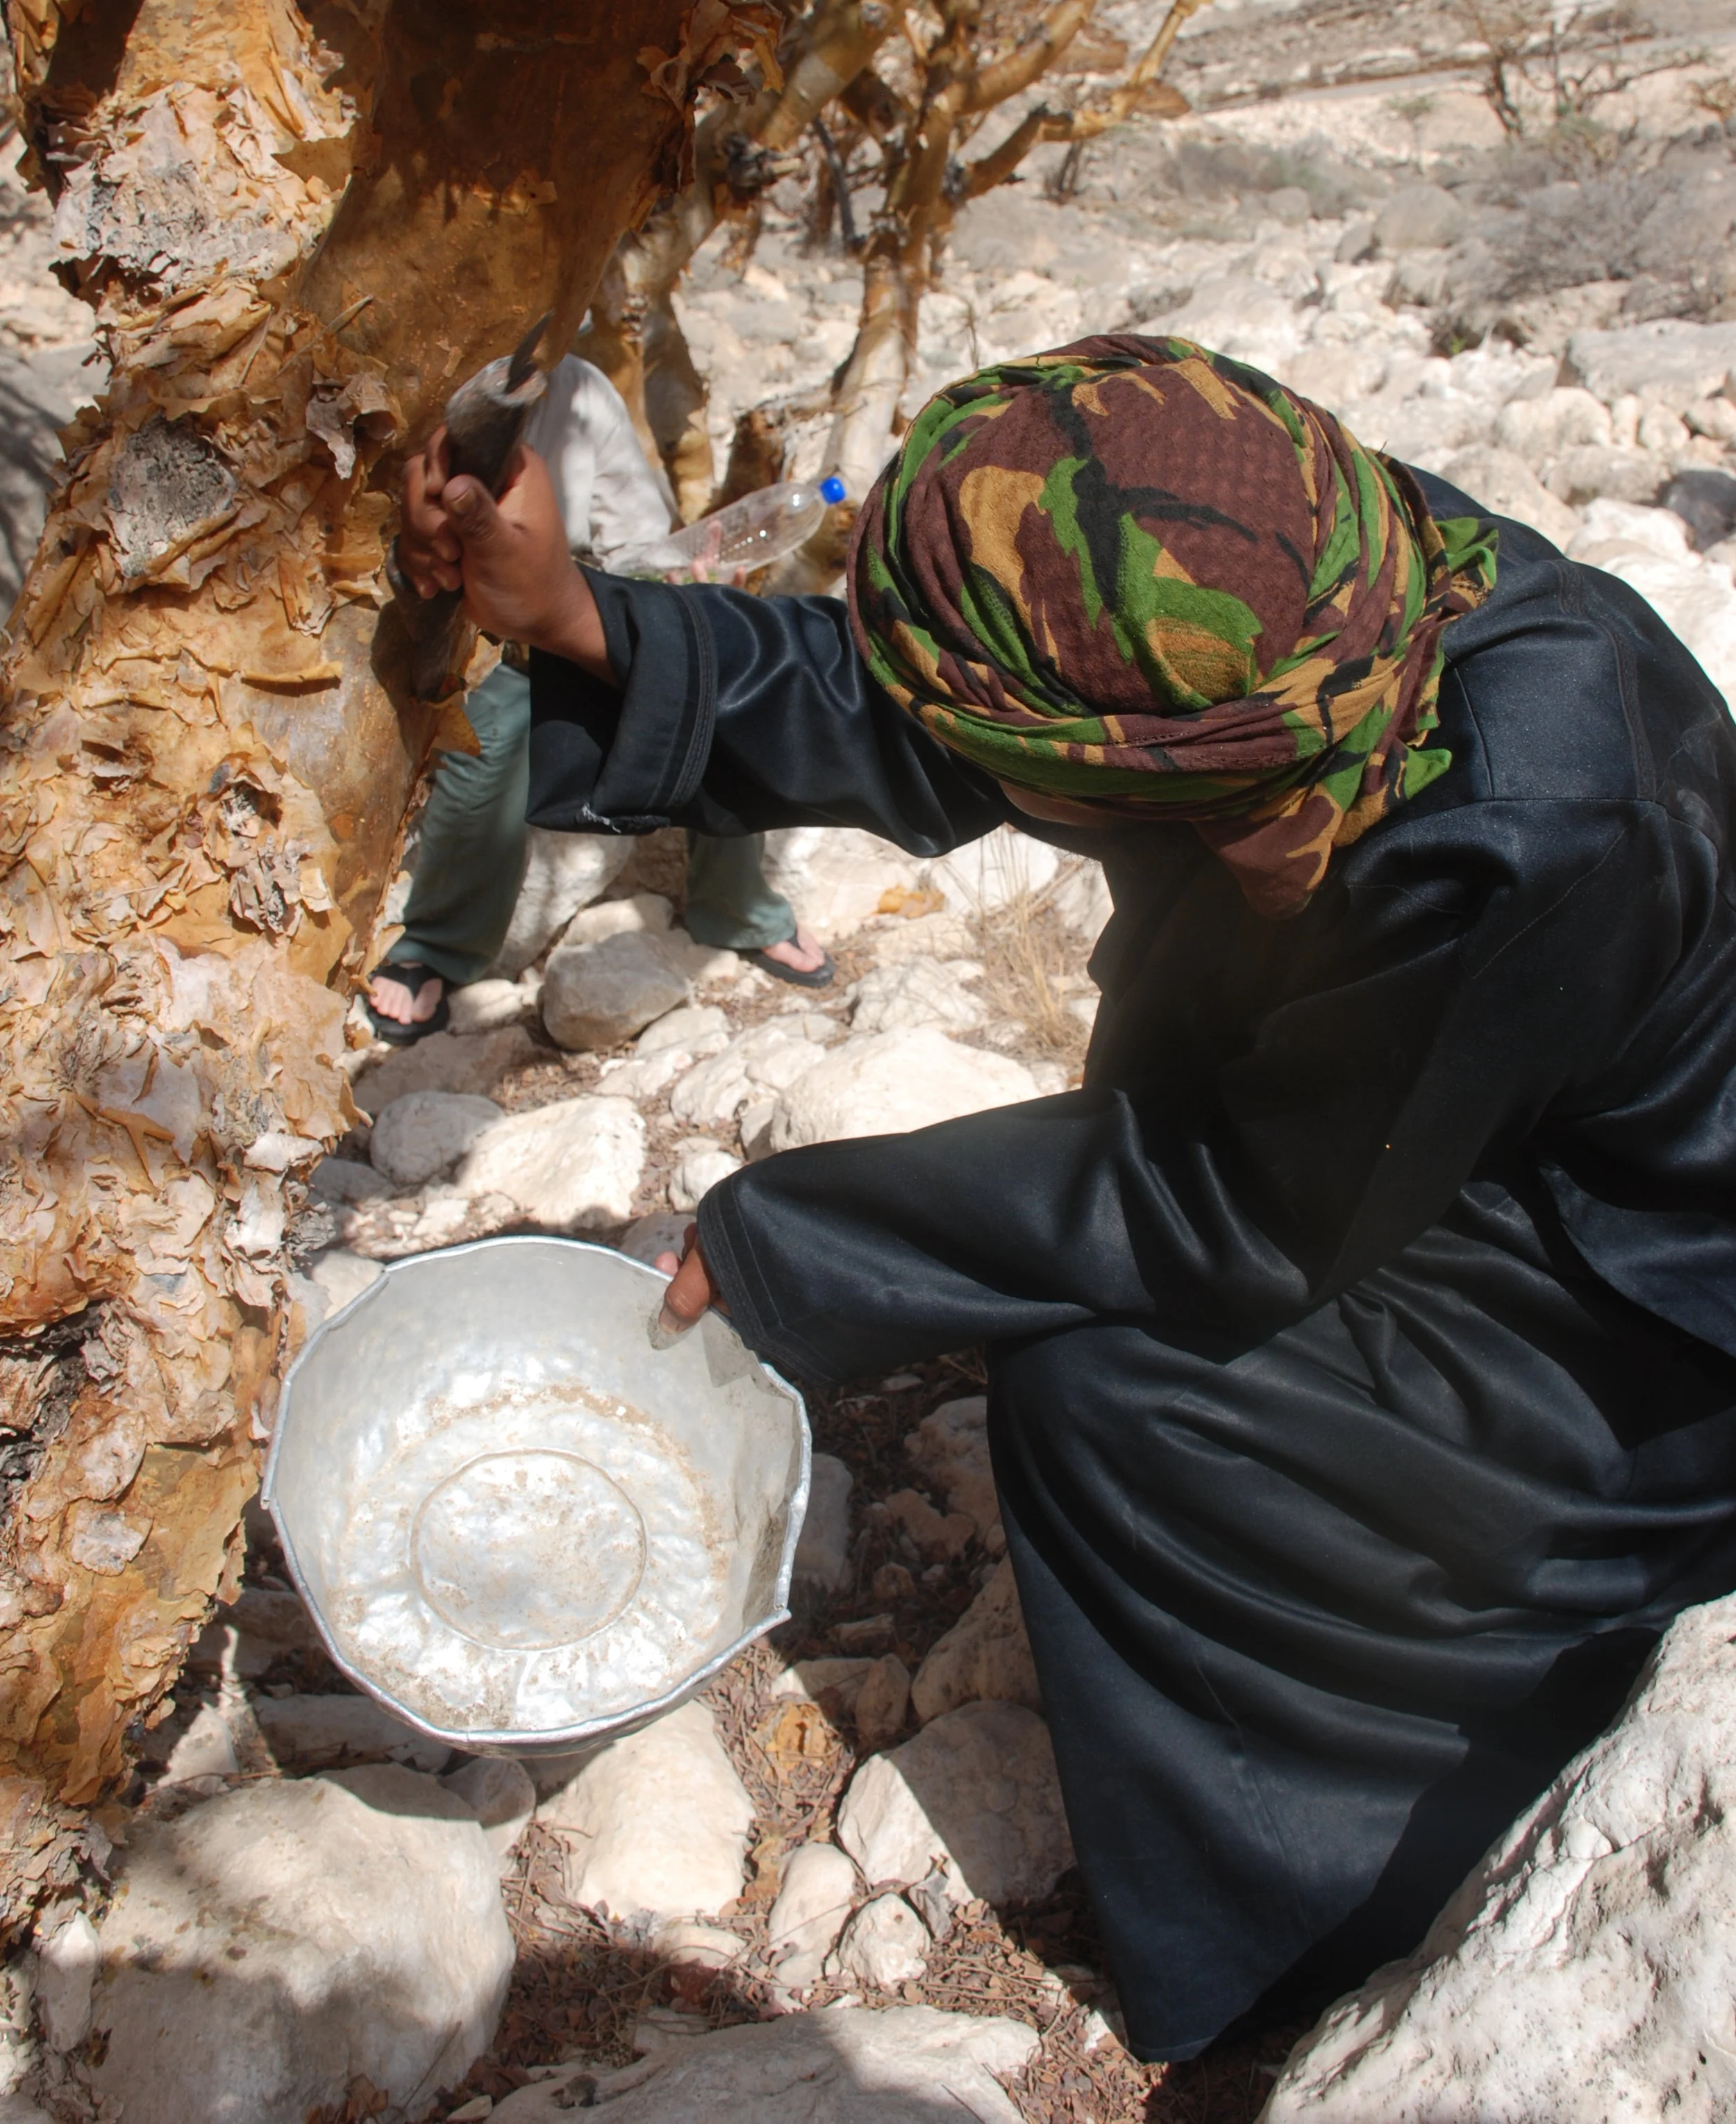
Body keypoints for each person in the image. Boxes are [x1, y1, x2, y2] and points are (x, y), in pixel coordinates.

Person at [392, 331, 1736, 2063]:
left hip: (1639, 1309)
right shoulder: (1308, 597)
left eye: (1268, 800)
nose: (1259, 849)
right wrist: (577, 614)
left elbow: (1234, 1206)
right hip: (1446, 1135)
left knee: (1123, 1406)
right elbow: (928, 709)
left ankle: (1333, 1938)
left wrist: (775, 1238)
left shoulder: (1531, 824)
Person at [368, 351, 828, 1040]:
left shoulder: (575, 387)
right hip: (485, 641)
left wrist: (677, 573)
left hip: (586, 609)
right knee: (482, 755)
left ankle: (736, 908)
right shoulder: (409, 370)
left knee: (722, 708)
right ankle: (440, 945)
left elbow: (638, 538)